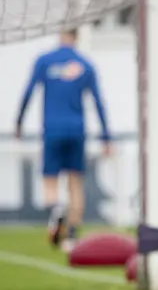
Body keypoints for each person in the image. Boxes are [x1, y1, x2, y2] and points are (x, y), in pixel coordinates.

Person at [15, 28, 112, 252]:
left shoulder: (44, 61)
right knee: (75, 182)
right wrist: (106, 135)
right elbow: (98, 101)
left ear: (60, 35)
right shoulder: (85, 65)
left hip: (52, 129)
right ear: (77, 37)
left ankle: (55, 211)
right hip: (77, 130)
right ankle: (71, 235)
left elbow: (28, 92)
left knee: (50, 180)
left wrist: (19, 123)